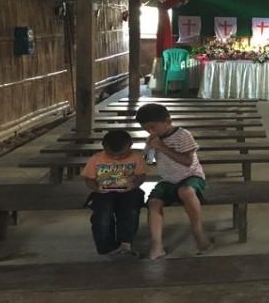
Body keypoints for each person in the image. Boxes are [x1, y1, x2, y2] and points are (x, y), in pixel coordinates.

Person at [135, 103, 212, 260]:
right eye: (146, 129)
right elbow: (147, 160)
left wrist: (162, 147)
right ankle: (157, 245)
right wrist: (149, 149)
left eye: (153, 127)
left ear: (167, 121)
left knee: (185, 191)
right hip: (168, 180)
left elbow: (187, 162)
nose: (150, 131)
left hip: (191, 176)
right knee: (154, 202)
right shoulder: (153, 138)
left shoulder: (183, 135)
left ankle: (198, 233)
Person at [81, 129, 146, 257]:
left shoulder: (136, 157)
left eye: (121, 155)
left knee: (130, 212)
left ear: (130, 146)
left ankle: (125, 244)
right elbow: (89, 179)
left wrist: (134, 184)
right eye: (111, 155)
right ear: (103, 148)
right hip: (103, 192)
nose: (116, 158)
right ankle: (106, 246)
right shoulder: (96, 159)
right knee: (102, 215)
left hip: (129, 191)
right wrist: (96, 188)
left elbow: (141, 176)